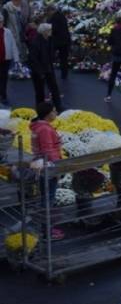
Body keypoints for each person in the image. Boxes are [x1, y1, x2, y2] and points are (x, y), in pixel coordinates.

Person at [30, 102, 64, 240]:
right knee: (48, 199)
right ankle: (47, 232)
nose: (56, 113)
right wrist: (58, 167)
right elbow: (48, 151)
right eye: (54, 111)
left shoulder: (38, 126)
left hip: (41, 165)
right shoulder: (45, 129)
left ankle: (46, 229)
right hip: (49, 168)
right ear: (48, 113)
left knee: (46, 198)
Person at [28, 23, 62, 111]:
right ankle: (40, 109)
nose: (51, 31)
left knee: (54, 88)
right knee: (40, 91)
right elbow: (33, 59)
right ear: (44, 32)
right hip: (38, 70)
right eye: (49, 30)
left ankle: (58, 107)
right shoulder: (35, 42)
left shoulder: (50, 39)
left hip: (48, 68)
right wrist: (39, 72)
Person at [0, 11, 19, 106]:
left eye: (1, 22)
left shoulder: (7, 32)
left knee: (4, 78)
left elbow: (13, 44)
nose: (0, 23)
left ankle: (3, 95)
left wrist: (16, 58)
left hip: (6, 58)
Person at [48, 6, 71, 80]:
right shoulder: (62, 16)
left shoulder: (53, 18)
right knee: (64, 58)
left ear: (51, 11)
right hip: (65, 40)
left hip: (57, 41)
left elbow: (53, 29)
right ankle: (64, 74)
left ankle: (49, 73)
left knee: (50, 57)